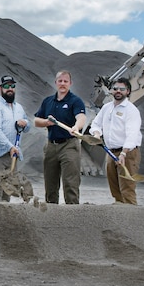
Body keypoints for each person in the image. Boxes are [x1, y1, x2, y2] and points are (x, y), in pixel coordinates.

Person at [34, 70, 89, 204]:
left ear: (70, 83)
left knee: (71, 183)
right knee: (50, 184)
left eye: (65, 81)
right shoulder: (48, 101)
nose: (63, 84)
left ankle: (72, 214)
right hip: (51, 146)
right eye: (60, 81)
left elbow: (81, 117)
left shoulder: (75, 101)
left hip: (69, 145)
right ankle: (51, 215)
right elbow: (36, 121)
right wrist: (47, 122)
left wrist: (77, 127)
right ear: (56, 83)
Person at [88, 77, 142, 205]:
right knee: (114, 187)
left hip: (127, 153)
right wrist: (96, 134)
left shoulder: (131, 110)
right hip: (110, 152)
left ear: (128, 91)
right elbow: (95, 124)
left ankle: (132, 215)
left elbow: (132, 134)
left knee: (127, 188)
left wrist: (123, 153)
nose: (118, 91)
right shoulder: (107, 108)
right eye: (115, 88)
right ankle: (119, 213)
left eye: (122, 89)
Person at [0, 74, 29, 202]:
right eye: (6, 86)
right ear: (0, 88)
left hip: (11, 156)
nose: (10, 89)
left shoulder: (18, 107)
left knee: (7, 190)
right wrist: (10, 146)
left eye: (12, 86)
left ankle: (4, 220)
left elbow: (27, 125)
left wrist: (25, 124)